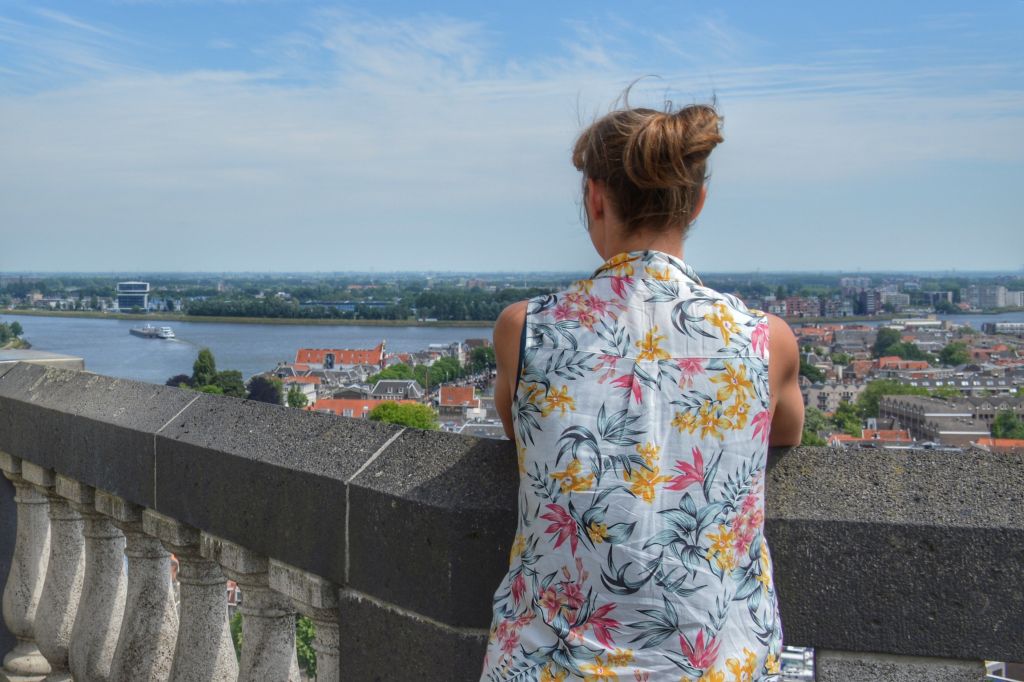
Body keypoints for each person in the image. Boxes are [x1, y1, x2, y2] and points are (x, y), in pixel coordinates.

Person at [481, 98, 804, 682]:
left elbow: (522, 432)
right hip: (713, 666)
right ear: (698, 202)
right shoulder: (767, 340)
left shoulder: (525, 330)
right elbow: (784, 433)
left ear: (595, 198)